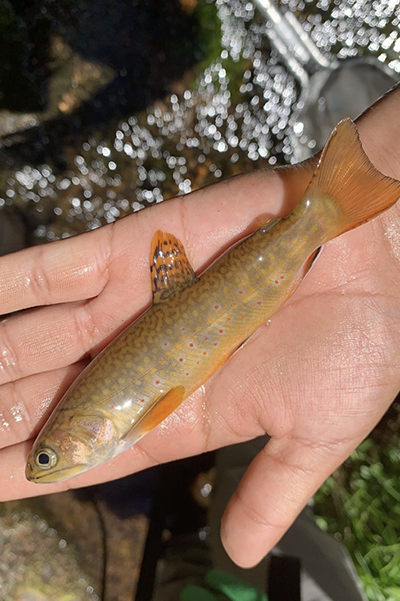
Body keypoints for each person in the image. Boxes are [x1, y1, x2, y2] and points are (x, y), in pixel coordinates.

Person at [0, 84, 399, 570]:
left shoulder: (124, 425)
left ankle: (326, 212)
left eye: (47, 458)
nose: (45, 467)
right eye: (45, 459)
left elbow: (164, 403)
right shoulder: (109, 424)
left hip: (249, 283)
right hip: (235, 287)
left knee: (308, 228)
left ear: (79, 433)